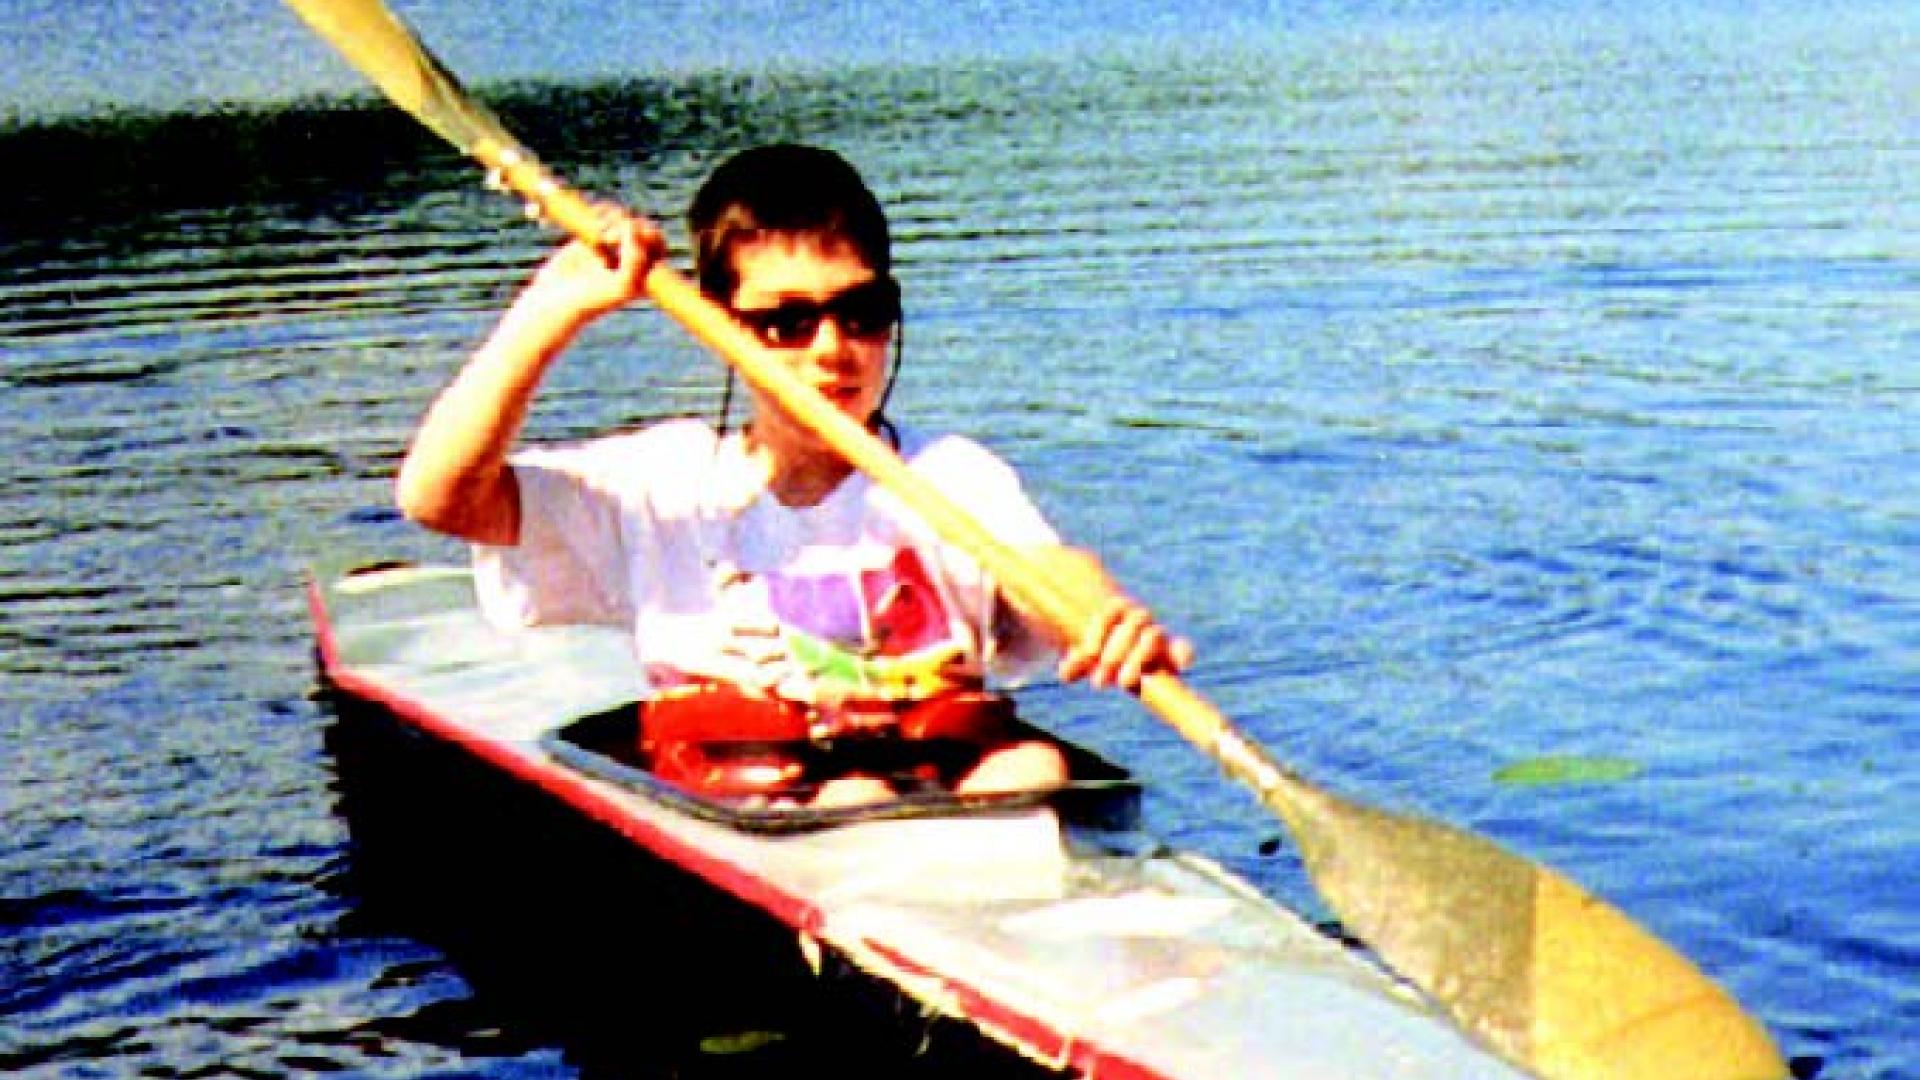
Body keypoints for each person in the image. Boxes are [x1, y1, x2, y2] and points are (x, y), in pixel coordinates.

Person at [396, 143, 1192, 808]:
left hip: (947, 789)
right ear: (719, 327)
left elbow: (1049, 574)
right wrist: (551, 310)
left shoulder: (951, 474)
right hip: (763, 807)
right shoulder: (661, 483)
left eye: (863, 311)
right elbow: (439, 497)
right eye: (786, 322)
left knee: (1035, 773)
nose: (831, 351)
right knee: (857, 803)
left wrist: (1103, 615)